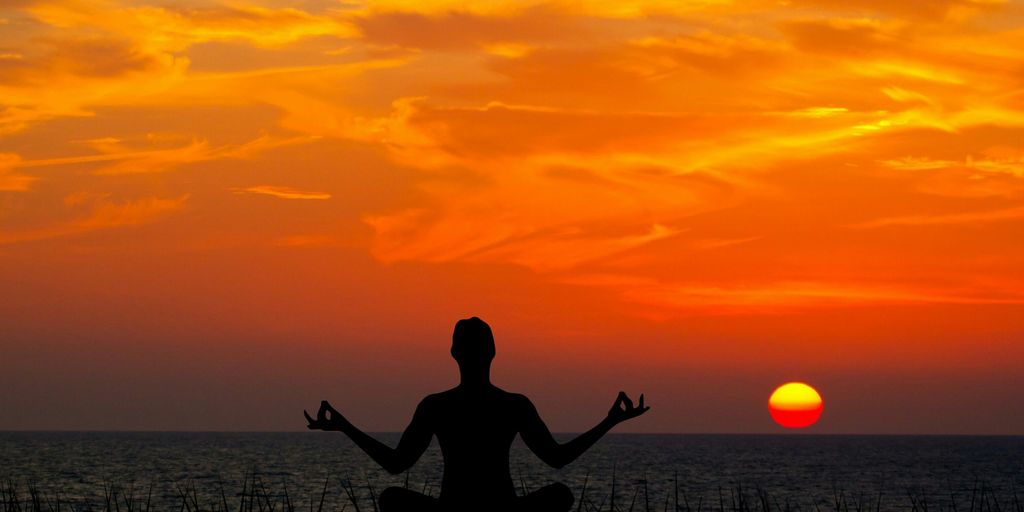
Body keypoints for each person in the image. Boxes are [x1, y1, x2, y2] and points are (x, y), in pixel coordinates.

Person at [304, 317, 649, 512]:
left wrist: (344, 426)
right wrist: (609, 422)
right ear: (493, 352)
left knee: (392, 498)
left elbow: (396, 464)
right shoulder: (512, 404)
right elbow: (557, 458)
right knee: (560, 494)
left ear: (454, 352)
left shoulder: (437, 405)